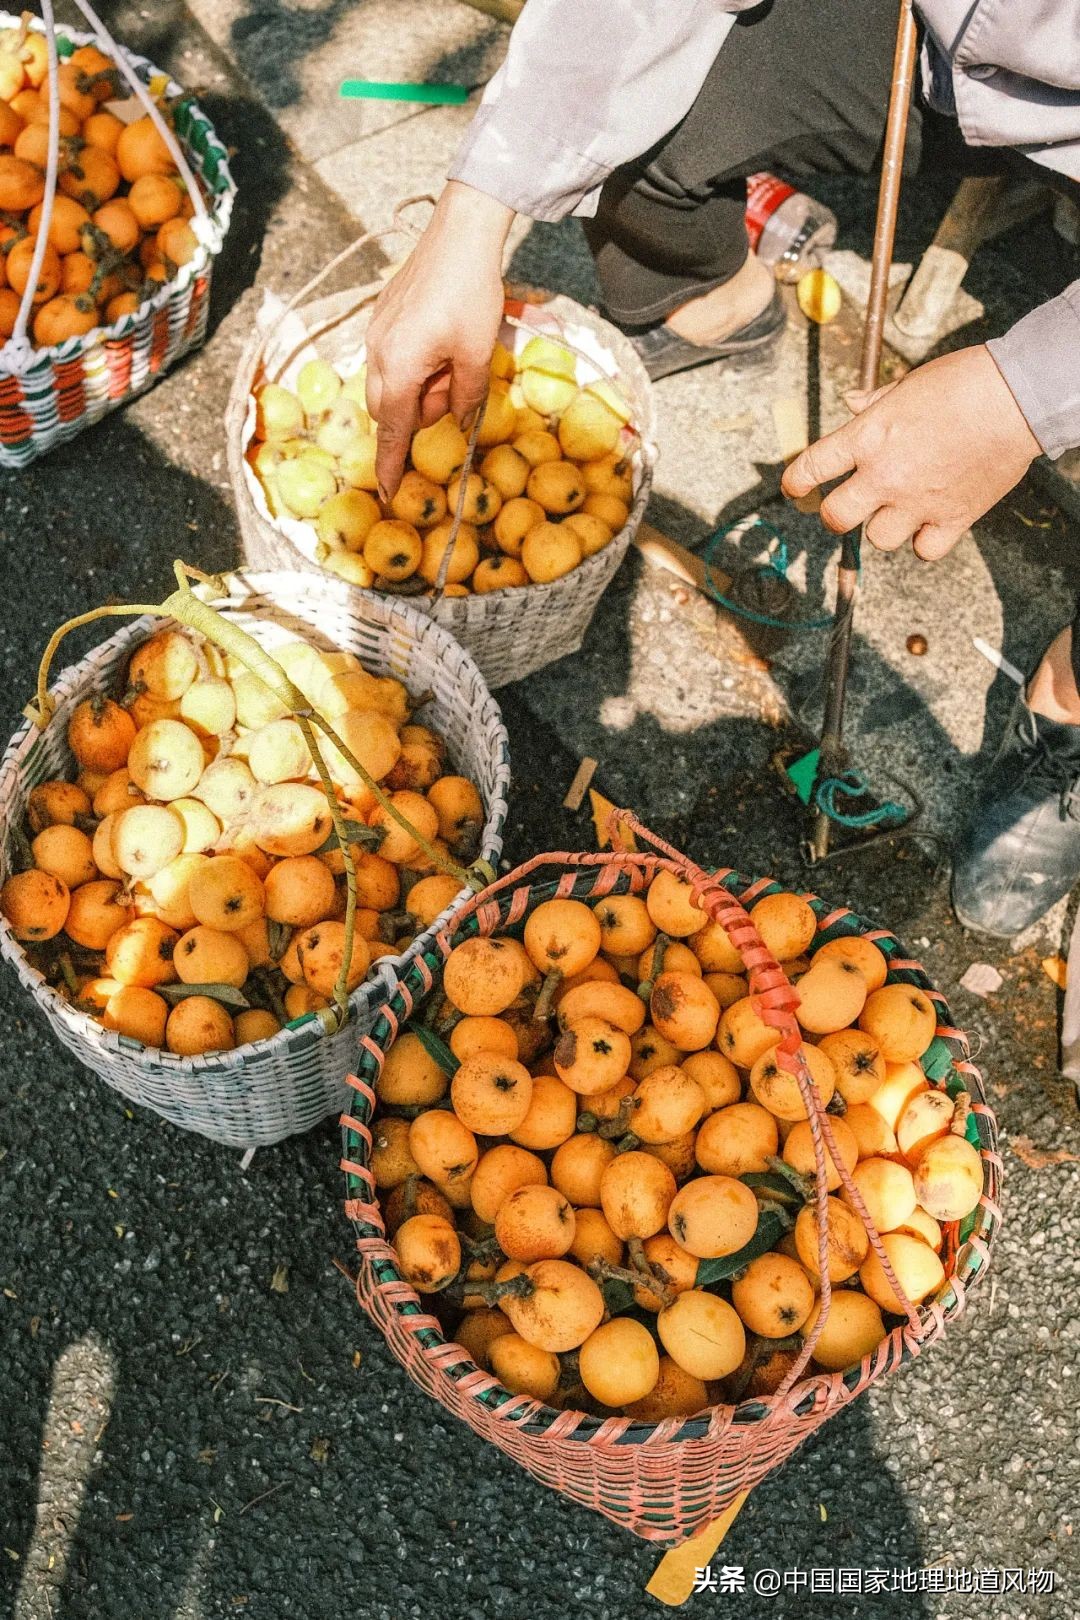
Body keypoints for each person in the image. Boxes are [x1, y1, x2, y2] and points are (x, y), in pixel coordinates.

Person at [364, 0, 1080, 938]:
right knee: (635, 125)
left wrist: (1021, 396)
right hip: (950, 37)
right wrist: (473, 214)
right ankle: (722, 302)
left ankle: (1069, 709)